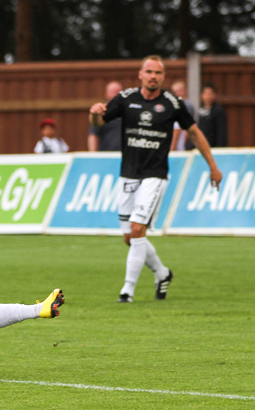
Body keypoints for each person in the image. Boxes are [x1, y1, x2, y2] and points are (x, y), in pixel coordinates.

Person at [89, 55, 222, 303]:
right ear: (140, 74)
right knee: (130, 237)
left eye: (158, 73)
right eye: (149, 72)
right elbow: (99, 121)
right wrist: (94, 113)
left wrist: (213, 166)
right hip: (128, 174)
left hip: (155, 175)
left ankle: (127, 291)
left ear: (163, 77)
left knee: (138, 228)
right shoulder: (127, 99)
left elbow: (194, 132)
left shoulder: (172, 103)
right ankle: (162, 273)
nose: (153, 76)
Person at [88, 81, 123, 151]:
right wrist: (92, 155)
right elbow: (93, 135)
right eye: (113, 92)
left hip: (126, 155)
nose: (116, 95)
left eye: (118, 92)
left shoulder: (128, 110)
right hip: (107, 154)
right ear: (106, 94)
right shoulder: (101, 112)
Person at [196, 83, 228, 148]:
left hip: (213, 146)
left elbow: (221, 131)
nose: (208, 97)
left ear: (214, 95)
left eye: (210, 94)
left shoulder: (218, 111)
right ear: (202, 95)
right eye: (206, 94)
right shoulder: (200, 110)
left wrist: (219, 147)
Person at [169, 80, 195, 151]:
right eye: (175, 92)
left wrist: (184, 143)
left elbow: (189, 126)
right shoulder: (173, 105)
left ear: (185, 91)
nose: (177, 94)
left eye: (179, 91)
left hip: (183, 141)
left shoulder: (187, 106)